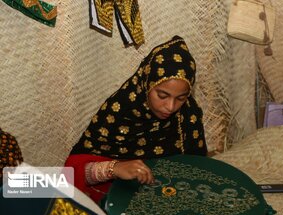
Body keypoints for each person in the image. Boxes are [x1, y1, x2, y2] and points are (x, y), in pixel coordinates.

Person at [65, 36, 207, 203]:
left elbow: (197, 167)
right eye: (162, 95)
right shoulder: (120, 112)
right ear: (146, 84)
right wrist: (114, 168)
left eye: (181, 98)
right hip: (118, 201)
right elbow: (71, 171)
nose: (170, 106)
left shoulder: (187, 114)